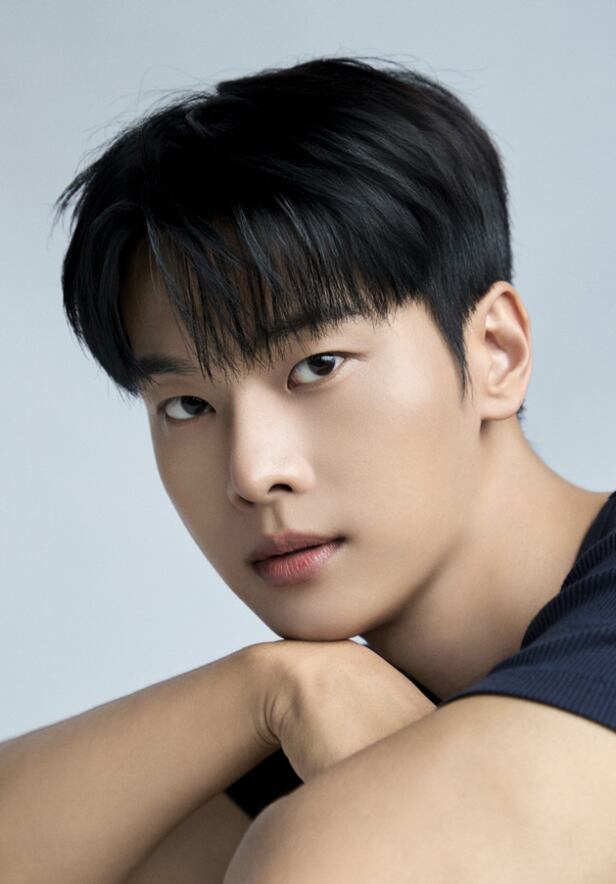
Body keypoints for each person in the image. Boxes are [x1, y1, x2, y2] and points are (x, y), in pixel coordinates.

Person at [2, 55, 615, 882]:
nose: (253, 472)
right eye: (186, 406)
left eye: (317, 367)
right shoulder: (335, 714)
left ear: (495, 353)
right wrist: (271, 688)